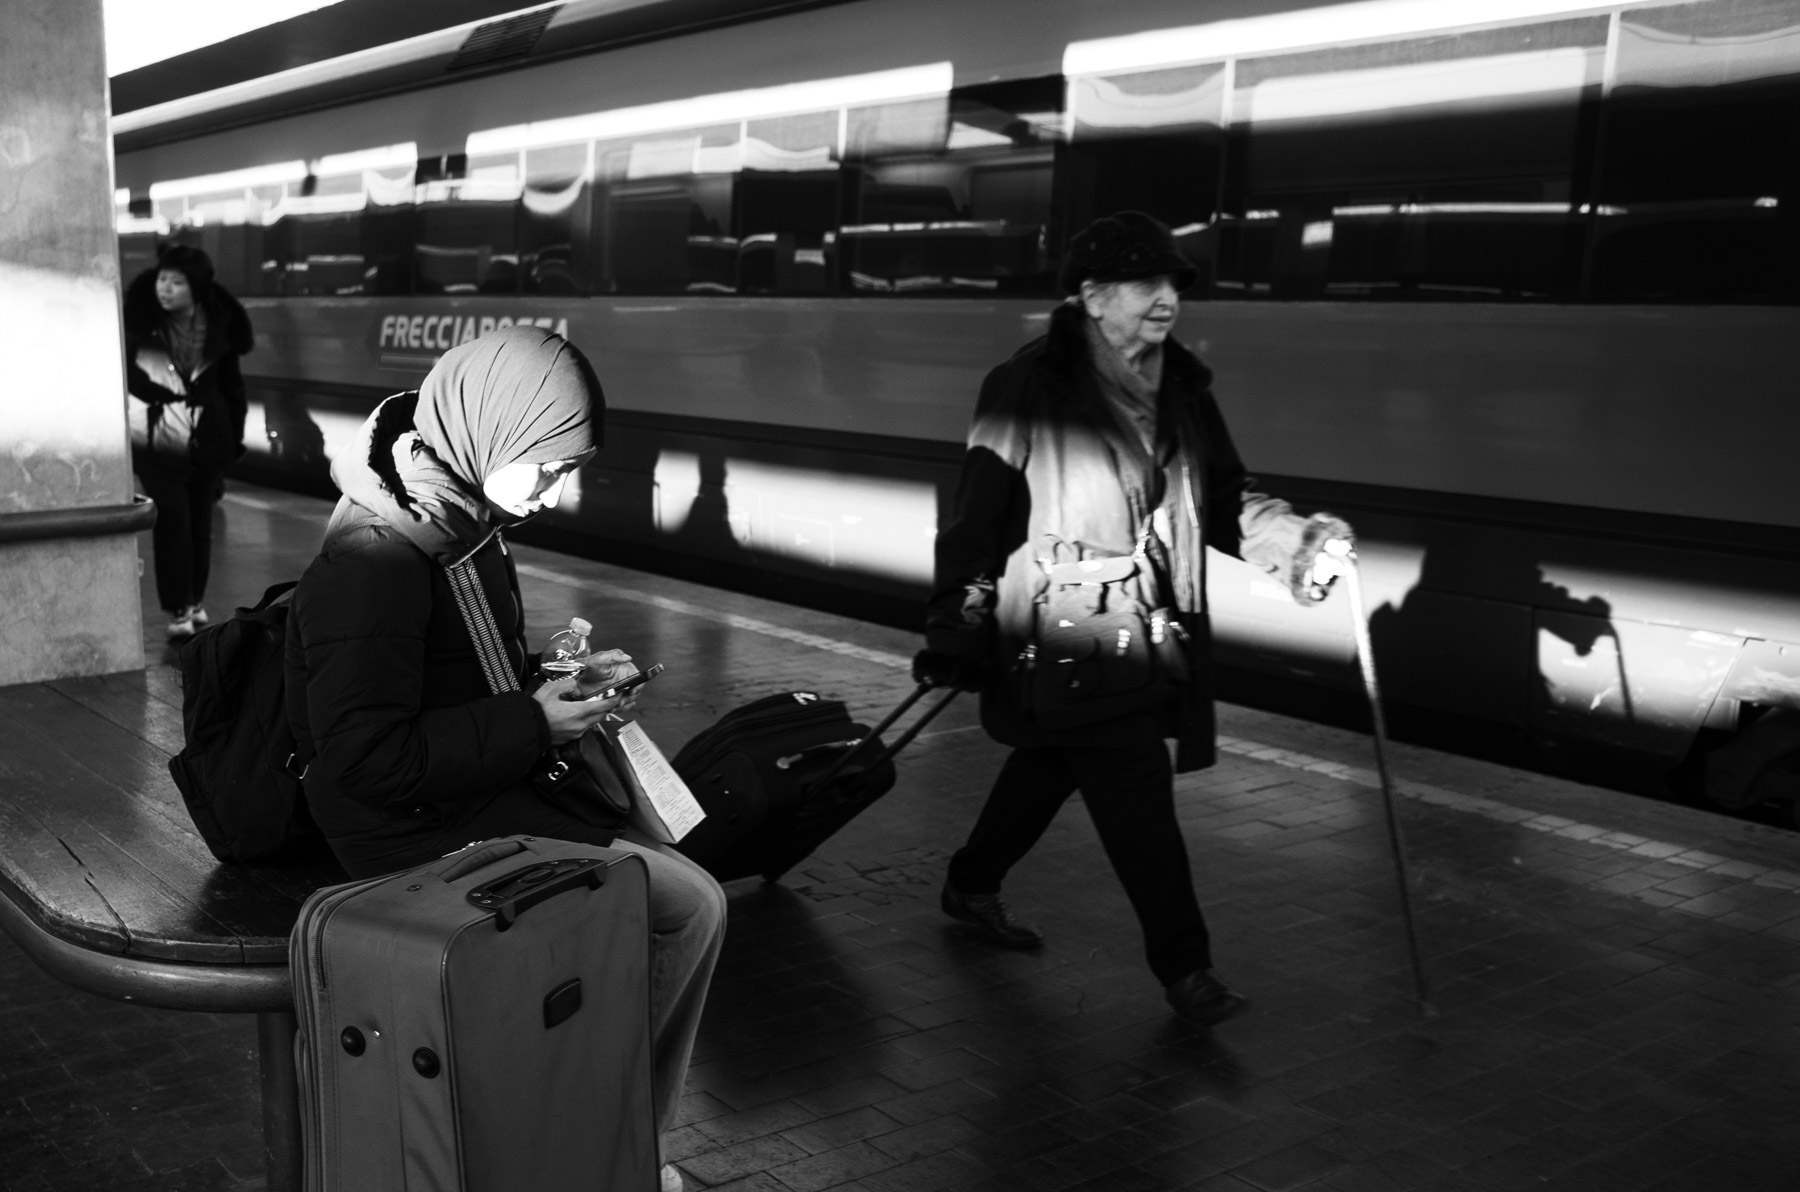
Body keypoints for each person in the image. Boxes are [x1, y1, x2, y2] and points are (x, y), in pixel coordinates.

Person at [284, 326, 724, 1192]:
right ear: (489, 428)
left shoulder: (457, 514)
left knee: (675, 891)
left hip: (471, 790)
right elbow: (363, 761)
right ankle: (616, 1144)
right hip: (405, 829)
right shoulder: (375, 558)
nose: (559, 494)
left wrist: (555, 683)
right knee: (682, 906)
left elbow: (459, 677)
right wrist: (533, 723)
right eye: (550, 467)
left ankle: (610, 1136)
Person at [915, 212, 1353, 1027]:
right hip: (1065, 629)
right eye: (1147, 285)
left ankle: (971, 883)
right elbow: (978, 515)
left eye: (1173, 286)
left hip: (1150, 626)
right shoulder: (1030, 384)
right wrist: (956, 622)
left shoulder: (1181, 386)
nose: (1166, 301)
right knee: (1133, 786)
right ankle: (1187, 970)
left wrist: (1297, 547)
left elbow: (1225, 498)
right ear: (1091, 296)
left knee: (1052, 761)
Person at [123, 244, 254, 639]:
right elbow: (124, 377)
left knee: (200, 524)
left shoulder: (219, 327)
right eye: (163, 279)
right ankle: (177, 606)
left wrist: (234, 438)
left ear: (195, 287)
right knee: (173, 521)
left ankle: (195, 600)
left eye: (176, 282)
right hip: (158, 440)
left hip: (208, 440)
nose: (166, 288)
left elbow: (232, 387)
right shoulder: (140, 327)